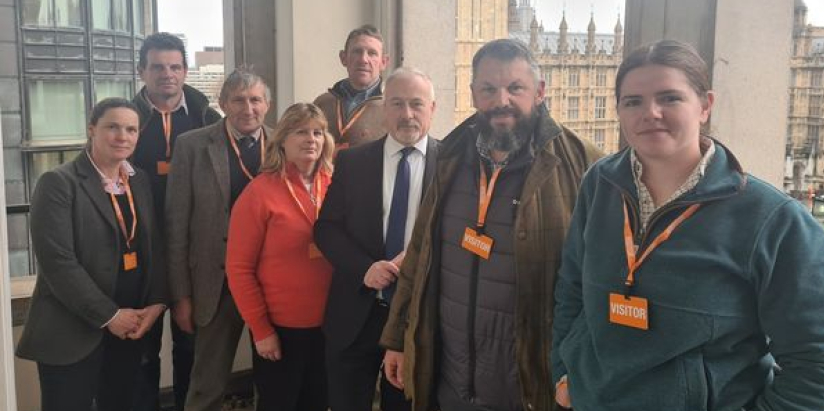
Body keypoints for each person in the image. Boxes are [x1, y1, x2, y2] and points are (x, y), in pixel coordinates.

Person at [550, 40, 824, 411]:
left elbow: (818, 361)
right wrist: (564, 372)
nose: (650, 112)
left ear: (705, 106)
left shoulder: (771, 218)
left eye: (670, 98)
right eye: (632, 101)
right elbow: (571, 287)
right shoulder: (600, 182)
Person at [380, 40, 603, 411]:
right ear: (473, 94)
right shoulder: (449, 155)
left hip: (529, 384)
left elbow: (596, 282)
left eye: (515, 88)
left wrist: (578, 369)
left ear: (540, 92)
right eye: (488, 89)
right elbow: (419, 253)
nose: (502, 100)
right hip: (450, 379)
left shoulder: (583, 165)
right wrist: (400, 337)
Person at [17, 98, 168, 411]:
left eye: (131, 129)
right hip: (73, 330)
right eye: (112, 127)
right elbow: (58, 264)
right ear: (91, 130)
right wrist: (110, 316)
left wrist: (156, 301)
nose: (122, 136)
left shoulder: (138, 181)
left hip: (130, 328)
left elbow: (153, 247)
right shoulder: (59, 183)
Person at [316, 67, 439, 411]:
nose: (407, 114)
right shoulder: (353, 162)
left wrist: (417, 260)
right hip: (355, 315)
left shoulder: (452, 166)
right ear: (384, 109)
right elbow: (326, 228)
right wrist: (364, 268)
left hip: (416, 321)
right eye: (397, 104)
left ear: (433, 108)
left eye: (417, 104)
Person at [166, 67, 272, 411]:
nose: (248, 108)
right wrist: (181, 296)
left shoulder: (284, 144)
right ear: (224, 103)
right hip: (216, 284)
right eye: (238, 100)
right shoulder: (192, 146)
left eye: (255, 99)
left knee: (273, 381)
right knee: (206, 385)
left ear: (267, 105)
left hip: (272, 284)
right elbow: (177, 225)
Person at [132, 32, 221, 411]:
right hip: (140, 249)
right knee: (142, 350)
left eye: (174, 67)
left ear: (185, 71)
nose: (166, 75)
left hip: (193, 251)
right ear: (142, 71)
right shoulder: (125, 119)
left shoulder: (208, 117)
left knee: (190, 345)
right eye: (157, 67)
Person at [227, 103, 335, 411]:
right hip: (280, 330)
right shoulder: (259, 193)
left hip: (330, 326)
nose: (311, 139)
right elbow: (239, 269)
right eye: (301, 131)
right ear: (282, 140)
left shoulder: (335, 184)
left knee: (318, 402)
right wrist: (261, 330)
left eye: (318, 132)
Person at [314, 24, 389, 151]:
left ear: (384, 62)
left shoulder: (391, 108)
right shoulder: (322, 104)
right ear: (343, 58)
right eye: (357, 51)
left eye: (372, 53)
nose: (363, 59)